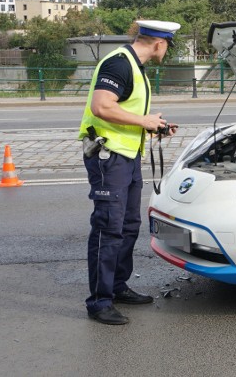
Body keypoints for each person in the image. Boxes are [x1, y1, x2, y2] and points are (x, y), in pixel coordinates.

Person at [78, 19, 178, 325]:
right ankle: (100, 301)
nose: (167, 52)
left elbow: (126, 111)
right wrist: (144, 122)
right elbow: (101, 107)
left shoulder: (135, 66)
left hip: (128, 156)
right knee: (108, 227)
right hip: (109, 159)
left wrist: (153, 124)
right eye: (168, 46)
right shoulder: (119, 63)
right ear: (159, 43)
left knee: (129, 225)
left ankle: (117, 287)